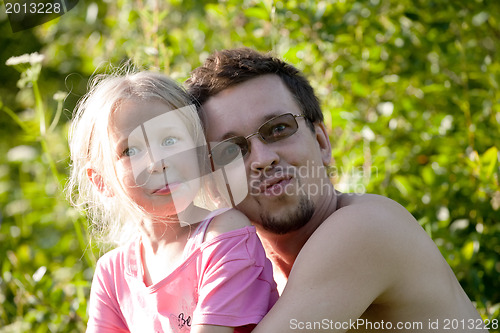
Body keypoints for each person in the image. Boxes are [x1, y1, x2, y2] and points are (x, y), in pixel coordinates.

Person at [186, 48, 489, 332]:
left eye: (278, 129)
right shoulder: (255, 275)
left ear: (321, 142)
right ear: (212, 186)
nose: (263, 160)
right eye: (231, 151)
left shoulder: (365, 228)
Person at [66, 70, 278, 333]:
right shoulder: (112, 273)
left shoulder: (223, 236)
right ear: (101, 181)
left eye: (169, 140)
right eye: (130, 150)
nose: (157, 163)